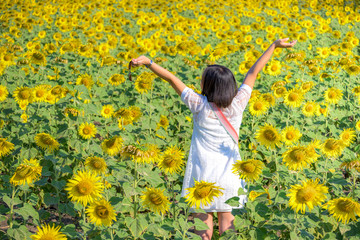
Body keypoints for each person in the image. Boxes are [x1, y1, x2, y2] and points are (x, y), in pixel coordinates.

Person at [131, 38, 297, 240]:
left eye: (202, 80)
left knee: (203, 233)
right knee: (228, 229)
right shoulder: (238, 104)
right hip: (230, 175)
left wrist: (149, 63)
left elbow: (171, 79)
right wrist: (274, 45)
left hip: (203, 175)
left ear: (207, 86)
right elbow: (253, 72)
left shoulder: (199, 104)